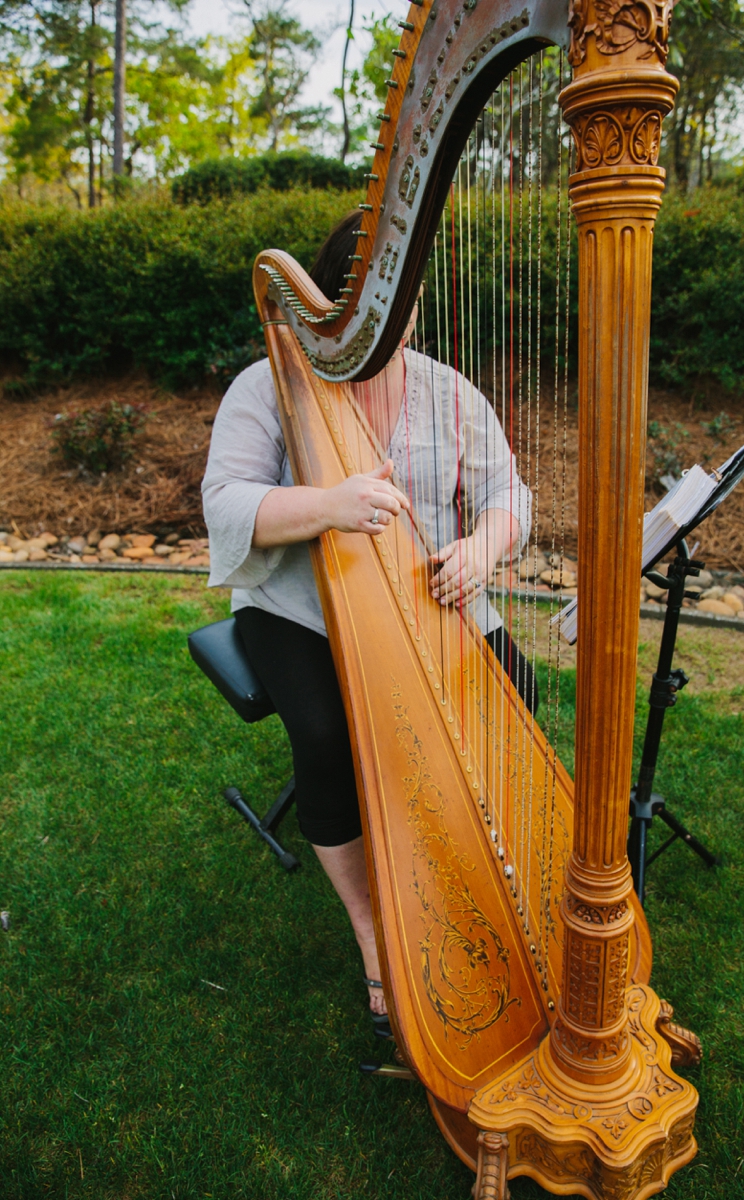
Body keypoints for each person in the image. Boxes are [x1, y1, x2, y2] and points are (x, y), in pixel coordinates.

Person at [202, 211, 535, 1022]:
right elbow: (226, 502)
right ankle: (371, 927)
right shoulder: (268, 385)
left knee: (515, 692)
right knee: (326, 734)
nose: (391, 323)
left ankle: (465, 851)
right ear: (331, 312)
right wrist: (327, 504)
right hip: (296, 606)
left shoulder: (451, 394)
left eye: (402, 303)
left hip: (430, 600)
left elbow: (507, 498)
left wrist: (483, 552)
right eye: (370, 309)